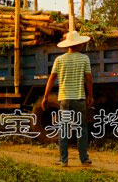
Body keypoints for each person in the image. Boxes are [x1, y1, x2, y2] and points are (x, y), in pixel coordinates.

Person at [41, 31, 93, 167]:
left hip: (64, 100)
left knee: (64, 128)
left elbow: (51, 79)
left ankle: (63, 160)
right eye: (81, 43)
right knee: (82, 129)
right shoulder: (84, 59)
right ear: (78, 44)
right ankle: (84, 159)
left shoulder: (59, 60)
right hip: (79, 99)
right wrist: (90, 95)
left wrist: (45, 96)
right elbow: (88, 78)